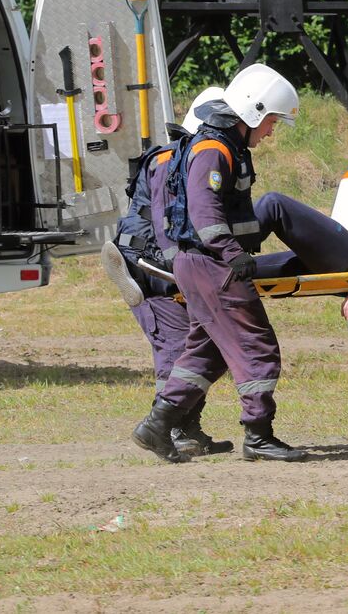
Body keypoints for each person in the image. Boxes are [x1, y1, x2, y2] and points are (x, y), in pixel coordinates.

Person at [130, 63, 308, 463]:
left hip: (201, 265)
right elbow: (205, 212)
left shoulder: (224, 146)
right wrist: (234, 256)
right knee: (256, 346)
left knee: (205, 351)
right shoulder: (214, 149)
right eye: (271, 122)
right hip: (213, 266)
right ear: (253, 112)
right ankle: (259, 435)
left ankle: (157, 424)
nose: (271, 131)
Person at [100, 86, 233, 459]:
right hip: (150, 268)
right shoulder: (171, 161)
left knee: (203, 344)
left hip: (172, 266)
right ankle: (168, 429)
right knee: (178, 347)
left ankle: (186, 428)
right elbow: (164, 223)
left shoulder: (191, 158)